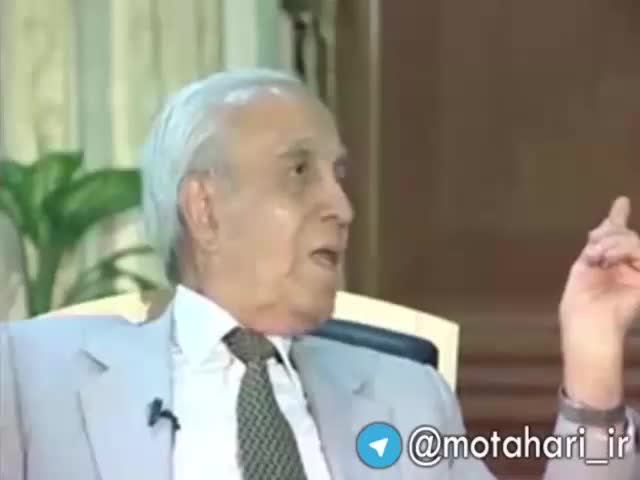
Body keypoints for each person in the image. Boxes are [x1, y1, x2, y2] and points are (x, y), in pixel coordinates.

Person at [0, 69, 638, 480]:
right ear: (205, 208)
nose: (342, 207)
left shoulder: (405, 397)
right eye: (299, 172)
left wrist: (594, 362)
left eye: (339, 176)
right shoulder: (30, 376)